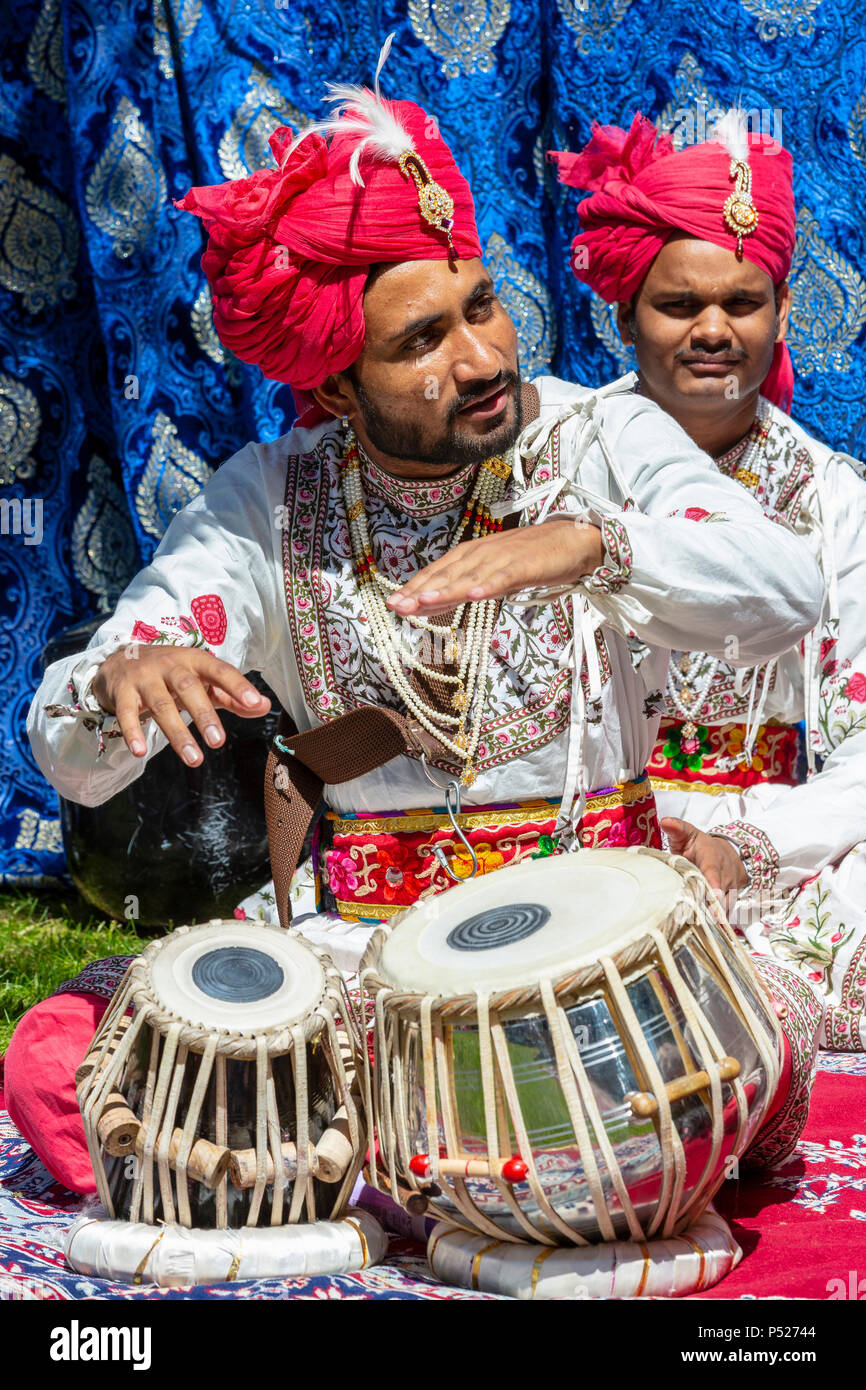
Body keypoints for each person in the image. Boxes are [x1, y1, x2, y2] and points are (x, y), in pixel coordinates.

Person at [12, 62, 821, 1192]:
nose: (482, 358)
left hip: (607, 939)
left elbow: (783, 585)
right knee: (72, 1047)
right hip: (378, 960)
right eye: (421, 342)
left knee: (728, 1062)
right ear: (338, 388)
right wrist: (120, 677)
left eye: (480, 307)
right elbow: (81, 738)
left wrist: (596, 545)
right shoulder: (266, 497)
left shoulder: (603, 436)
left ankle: (393, 1161)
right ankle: (416, 1149)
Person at [553, 109, 866, 1051]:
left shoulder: (834, 498)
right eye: (680, 305)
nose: (714, 331)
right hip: (582, 835)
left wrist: (750, 846)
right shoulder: (557, 463)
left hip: (773, 849)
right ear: (623, 317)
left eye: (744, 302)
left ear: (779, 314)